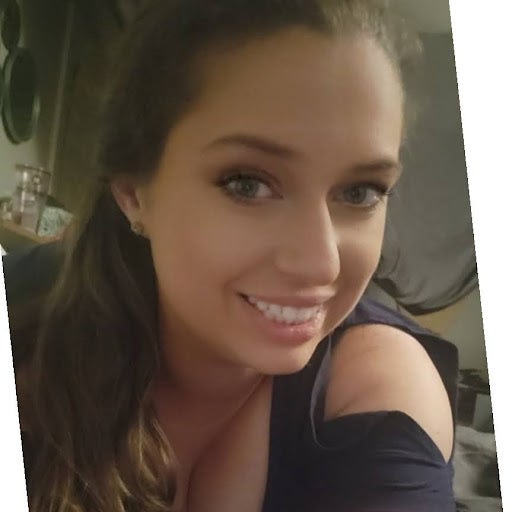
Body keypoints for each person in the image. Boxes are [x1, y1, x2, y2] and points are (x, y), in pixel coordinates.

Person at [5, 0, 458, 510]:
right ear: (134, 192)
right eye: (248, 184)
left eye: (360, 192)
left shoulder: (380, 388)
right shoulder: (29, 324)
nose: (322, 264)